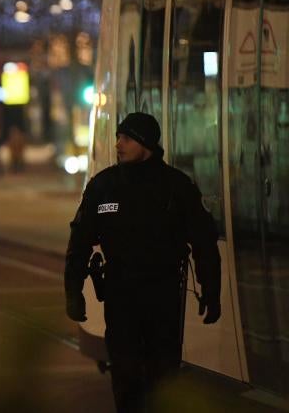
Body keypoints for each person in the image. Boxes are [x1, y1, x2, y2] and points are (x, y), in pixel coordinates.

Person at [64, 112, 221, 413]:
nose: (118, 144)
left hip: (163, 296)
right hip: (121, 296)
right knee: (125, 375)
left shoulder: (176, 186)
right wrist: (73, 292)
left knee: (164, 375)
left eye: (126, 138)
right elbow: (80, 241)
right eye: (118, 138)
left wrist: (211, 290)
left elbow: (203, 242)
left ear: (146, 143)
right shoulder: (104, 185)